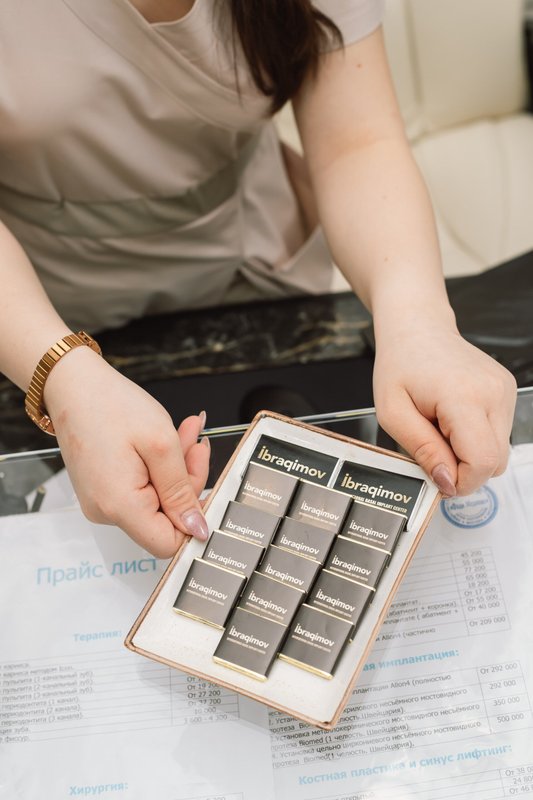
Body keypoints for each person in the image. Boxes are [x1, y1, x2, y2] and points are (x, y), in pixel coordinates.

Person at [0, 0, 516, 558]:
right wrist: (60, 373)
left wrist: (419, 322)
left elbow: (356, 142)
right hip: (34, 304)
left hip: (257, 260)